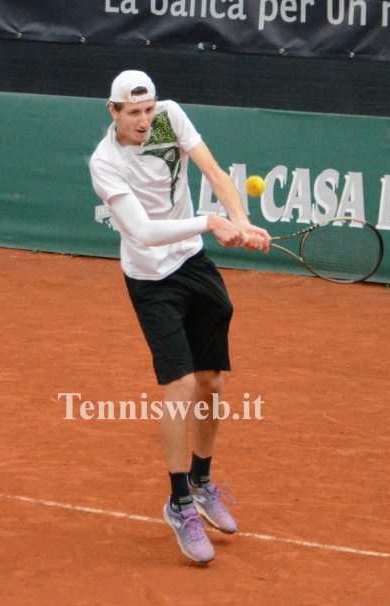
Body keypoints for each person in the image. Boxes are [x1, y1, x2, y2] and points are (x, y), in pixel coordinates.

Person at [88, 70, 270, 563]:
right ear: (114, 112)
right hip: (151, 281)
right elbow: (144, 232)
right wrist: (212, 222)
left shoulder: (168, 119)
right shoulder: (106, 162)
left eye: (148, 110)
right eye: (133, 113)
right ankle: (179, 502)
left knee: (212, 383)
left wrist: (241, 220)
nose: (144, 122)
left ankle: (202, 480)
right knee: (181, 384)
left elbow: (215, 174)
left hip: (193, 264)